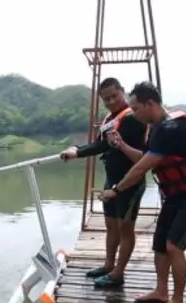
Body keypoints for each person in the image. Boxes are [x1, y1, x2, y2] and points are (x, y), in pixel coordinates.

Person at [99, 81, 186, 303]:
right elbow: (145, 157)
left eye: (136, 108)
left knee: (174, 246)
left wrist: (117, 189)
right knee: (160, 244)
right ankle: (161, 291)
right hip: (174, 195)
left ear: (150, 104)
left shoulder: (171, 128)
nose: (133, 113)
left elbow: (142, 167)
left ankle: (177, 300)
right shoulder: (155, 128)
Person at [60, 77, 149, 288]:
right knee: (111, 225)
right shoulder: (112, 117)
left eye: (114, 96)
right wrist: (77, 150)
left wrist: (79, 152)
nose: (110, 101)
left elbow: (106, 147)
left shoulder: (133, 117)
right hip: (111, 179)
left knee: (125, 227)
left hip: (131, 181)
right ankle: (109, 265)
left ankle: (119, 273)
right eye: (106, 99)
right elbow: (102, 144)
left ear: (123, 92)